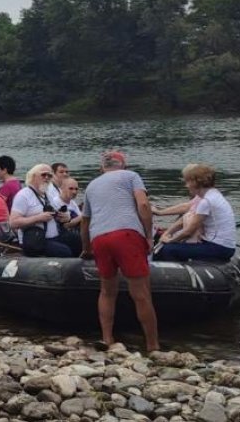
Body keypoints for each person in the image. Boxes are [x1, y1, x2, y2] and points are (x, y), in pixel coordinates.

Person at [81, 150, 159, 352]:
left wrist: (86, 248)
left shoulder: (91, 186)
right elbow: (143, 204)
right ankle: (152, 345)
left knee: (107, 291)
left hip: (99, 237)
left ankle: (107, 339)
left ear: (102, 168)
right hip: (126, 234)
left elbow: (85, 221)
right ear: (123, 165)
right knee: (140, 293)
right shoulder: (131, 177)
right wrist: (149, 235)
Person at [154, 164, 236, 261]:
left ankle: (174, 274)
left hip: (219, 248)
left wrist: (170, 241)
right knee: (177, 246)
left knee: (168, 249)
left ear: (195, 182)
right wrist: (168, 233)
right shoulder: (213, 194)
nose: (186, 186)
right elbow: (184, 219)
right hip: (223, 246)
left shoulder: (206, 201)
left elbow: (189, 232)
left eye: (187, 182)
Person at [9, 164, 73, 257]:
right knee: (64, 251)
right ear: (33, 176)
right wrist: (37, 218)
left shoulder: (48, 195)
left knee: (77, 241)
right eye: (43, 175)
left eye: (49, 175)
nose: (47, 178)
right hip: (35, 241)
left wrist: (65, 217)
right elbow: (13, 223)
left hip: (54, 237)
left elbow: (58, 212)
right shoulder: (23, 196)